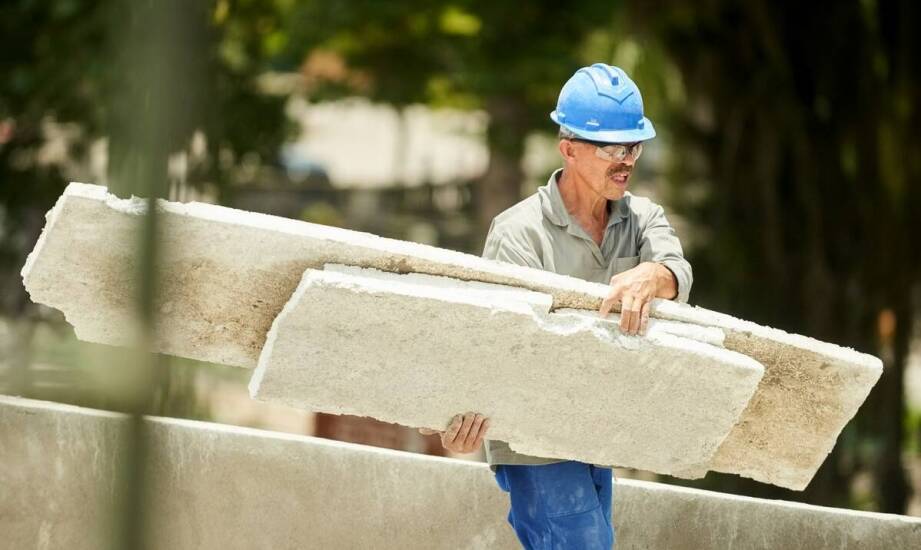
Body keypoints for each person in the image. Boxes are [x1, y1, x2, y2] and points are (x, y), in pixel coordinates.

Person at [420, 63, 693, 549]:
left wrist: (656, 275)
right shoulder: (518, 233)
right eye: (611, 147)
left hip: (597, 429)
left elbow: (677, 270)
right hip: (533, 439)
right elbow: (497, 339)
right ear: (568, 148)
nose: (626, 159)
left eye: (634, 146)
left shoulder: (643, 219)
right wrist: (459, 412)